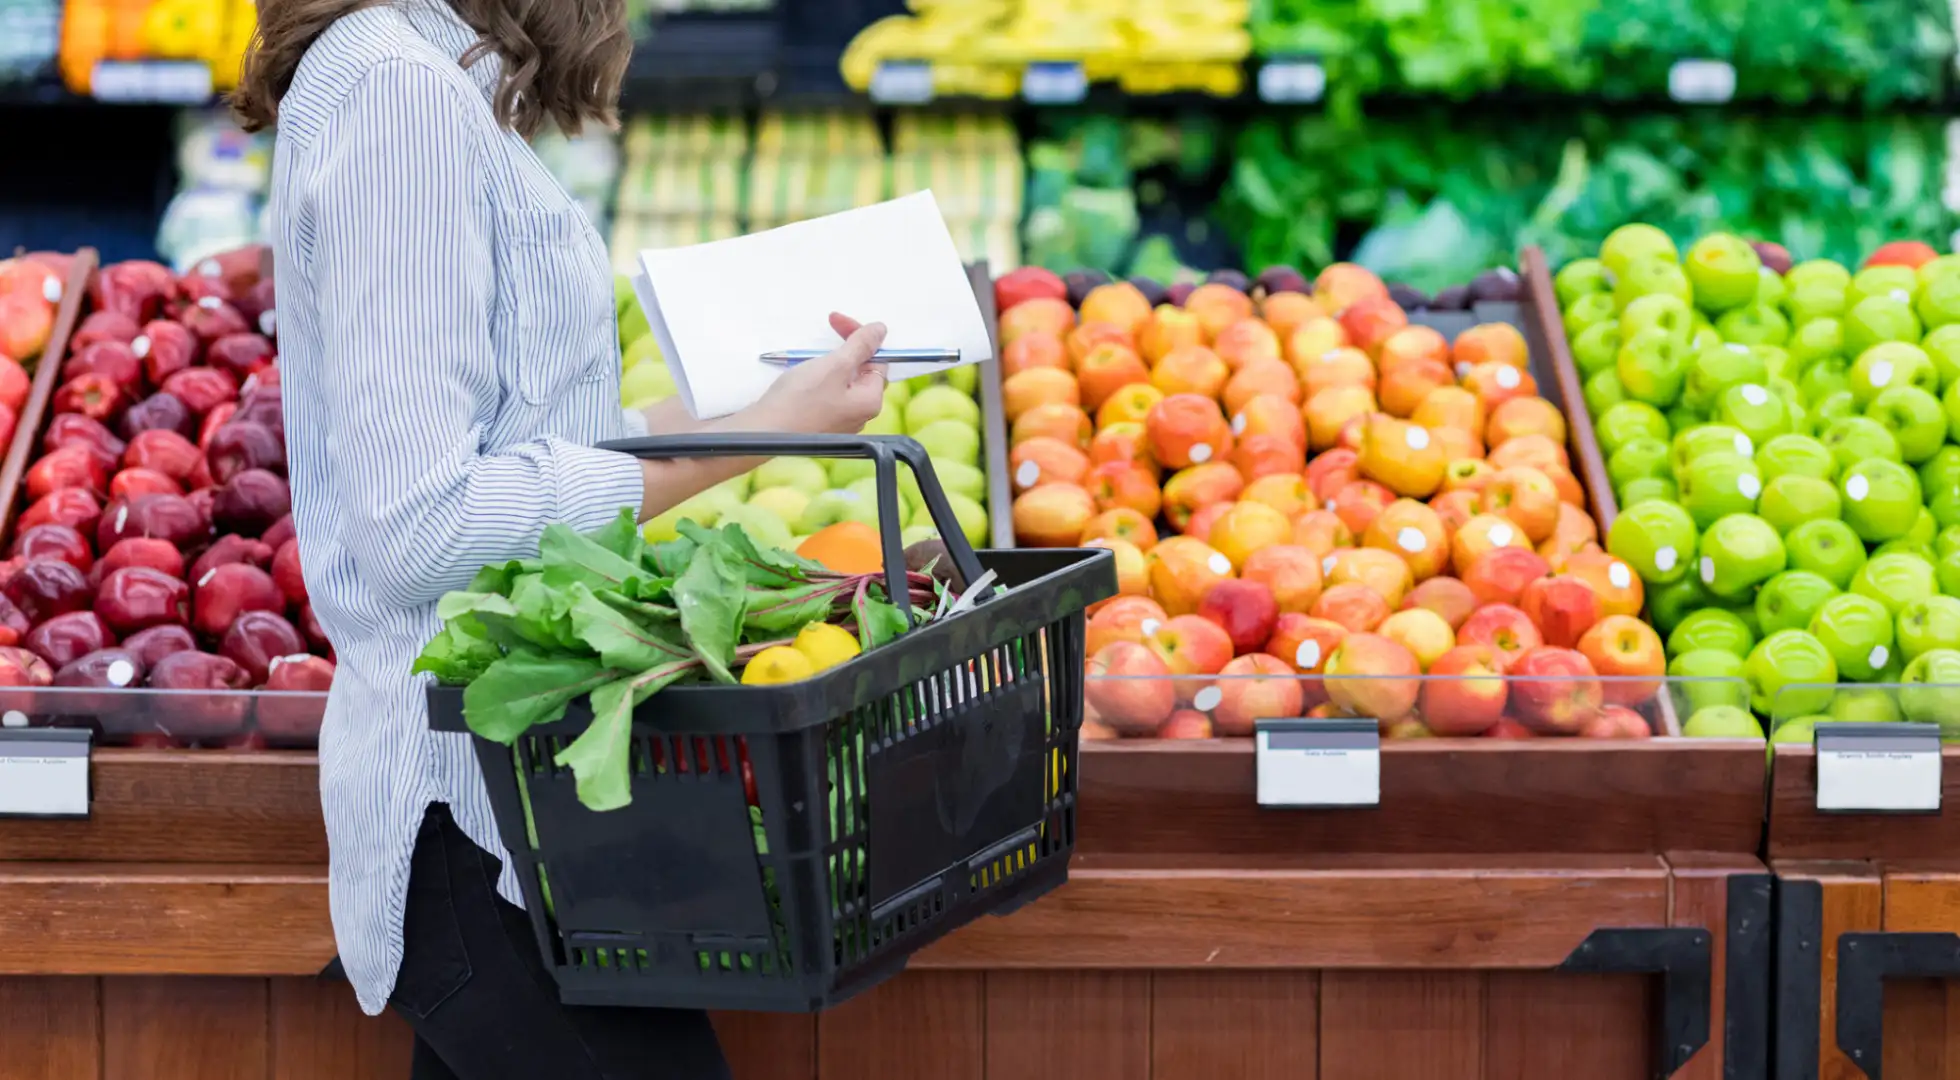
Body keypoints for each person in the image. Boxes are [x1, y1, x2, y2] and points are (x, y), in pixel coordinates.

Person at [233, 2, 889, 1076]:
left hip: (530, 810)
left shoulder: (427, 78)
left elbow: (525, 447)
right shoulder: (398, 96)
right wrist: (734, 453)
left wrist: (766, 413)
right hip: (470, 817)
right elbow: (421, 524)